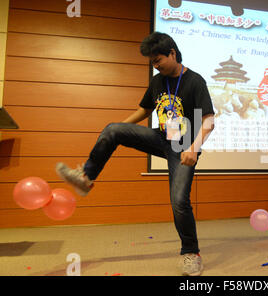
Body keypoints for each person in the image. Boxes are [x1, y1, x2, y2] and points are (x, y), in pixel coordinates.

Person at [55, 32, 215, 275]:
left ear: (172, 53)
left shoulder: (195, 81)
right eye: (152, 62)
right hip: (161, 137)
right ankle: (86, 177)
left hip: (184, 147)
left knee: (179, 201)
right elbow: (144, 110)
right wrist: (118, 130)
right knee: (112, 130)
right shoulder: (157, 81)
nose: (156, 65)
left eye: (158, 59)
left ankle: (191, 253)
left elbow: (209, 120)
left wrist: (194, 148)